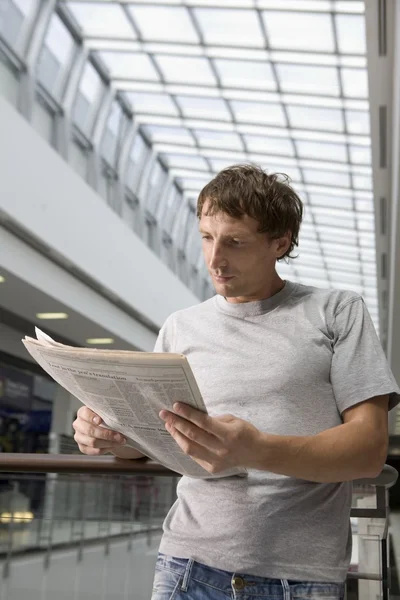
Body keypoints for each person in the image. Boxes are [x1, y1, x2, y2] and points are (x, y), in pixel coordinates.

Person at [73, 164, 400, 600]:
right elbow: (158, 441)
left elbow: (368, 450)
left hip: (299, 578)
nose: (214, 259)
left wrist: (255, 448)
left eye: (235, 242)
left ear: (279, 242)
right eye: (207, 237)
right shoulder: (180, 327)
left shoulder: (337, 312)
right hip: (185, 567)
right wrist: (113, 438)